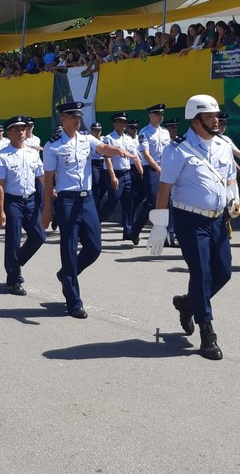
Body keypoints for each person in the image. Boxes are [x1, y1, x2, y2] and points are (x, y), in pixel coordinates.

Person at [153, 94, 236, 360]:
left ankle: (187, 303)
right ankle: (207, 332)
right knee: (201, 273)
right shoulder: (177, 150)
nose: (216, 120)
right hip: (190, 220)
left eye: (216, 115)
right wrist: (159, 226)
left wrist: (234, 199)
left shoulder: (224, 145)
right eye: (210, 116)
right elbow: (164, 188)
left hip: (218, 219)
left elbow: (230, 177)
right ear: (196, 120)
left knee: (223, 272)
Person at [40, 101, 131, 319]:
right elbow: (49, 179)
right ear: (63, 119)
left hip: (87, 200)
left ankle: (66, 274)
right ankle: (74, 300)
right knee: (69, 248)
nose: (77, 120)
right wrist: (47, 210)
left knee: (94, 247)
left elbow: (102, 148)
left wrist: (118, 150)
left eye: (79, 117)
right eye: (73, 117)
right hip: (67, 200)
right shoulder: (53, 146)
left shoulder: (86, 139)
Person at [0, 114, 46, 295]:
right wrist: (0, 211)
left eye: (23, 129)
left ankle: (14, 264)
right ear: (8, 133)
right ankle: (14, 280)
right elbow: (0, 185)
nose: (20, 132)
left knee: (39, 236)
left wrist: (51, 191)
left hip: (31, 200)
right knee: (13, 240)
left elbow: (41, 176)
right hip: (13, 201)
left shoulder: (32, 153)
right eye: (16, 129)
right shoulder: (2, 156)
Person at [130, 104, 172, 244]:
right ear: (150, 115)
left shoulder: (165, 132)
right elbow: (146, 155)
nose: (160, 117)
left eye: (162, 114)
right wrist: (157, 168)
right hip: (151, 170)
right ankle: (135, 230)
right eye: (157, 114)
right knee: (152, 202)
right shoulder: (144, 132)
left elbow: (169, 152)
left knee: (168, 202)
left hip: (165, 169)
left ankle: (167, 235)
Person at [98, 112, 143, 241]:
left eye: (125, 123)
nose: (123, 125)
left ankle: (128, 231)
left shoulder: (128, 139)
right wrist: (113, 176)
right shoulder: (109, 138)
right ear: (115, 123)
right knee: (113, 201)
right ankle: (96, 222)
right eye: (121, 122)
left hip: (127, 173)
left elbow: (134, 156)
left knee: (128, 202)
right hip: (115, 174)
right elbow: (107, 158)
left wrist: (141, 171)